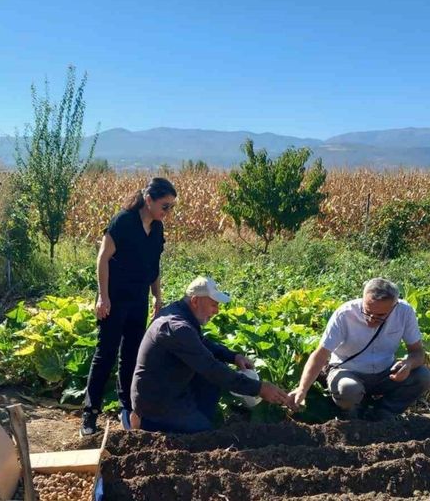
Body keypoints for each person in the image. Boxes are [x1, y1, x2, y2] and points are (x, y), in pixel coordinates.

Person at [130, 276, 296, 433]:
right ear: (195, 301)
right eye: (213, 305)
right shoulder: (177, 327)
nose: (216, 311)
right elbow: (211, 368)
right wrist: (259, 388)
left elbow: (201, 343)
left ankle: (193, 417)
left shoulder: (179, 313)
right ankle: (146, 424)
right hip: (156, 402)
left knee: (212, 383)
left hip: (168, 387)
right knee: (202, 434)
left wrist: (233, 357)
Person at [80, 177, 177, 436]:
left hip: (138, 300)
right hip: (115, 300)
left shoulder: (156, 229)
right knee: (105, 355)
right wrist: (103, 297)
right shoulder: (123, 221)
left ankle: (127, 409)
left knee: (131, 357)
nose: (167, 213)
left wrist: (157, 296)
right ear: (149, 200)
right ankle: (90, 415)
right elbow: (103, 259)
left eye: (171, 208)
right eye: (165, 206)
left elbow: (154, 266)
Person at [288, 278, 430, 421]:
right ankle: (351, 417)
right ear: (363, 299)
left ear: (394, 306)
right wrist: (302, 389)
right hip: (347, 371)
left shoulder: (404, 312)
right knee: (348, 389)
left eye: (380, 316)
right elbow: (320, 355)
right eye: (367, 311)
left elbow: (417, 352)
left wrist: (408, 364)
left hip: (385, 373)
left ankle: (384, 412)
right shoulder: (345, 314)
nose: (371, 319)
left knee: (423, 376)